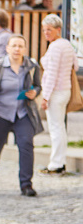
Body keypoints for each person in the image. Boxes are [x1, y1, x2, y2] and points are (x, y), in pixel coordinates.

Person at [0, 34, 43, 197]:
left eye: (20, 46)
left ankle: (26, 184)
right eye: (14, 46)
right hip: (0, 113)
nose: (17, 49)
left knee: (26, 145)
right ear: (7, 49)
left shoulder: (32, 66)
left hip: (22, 113)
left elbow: (38, 85)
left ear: (25, 49)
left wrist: (35, 92)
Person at [38, 14, 78, 175]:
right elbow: (75, 66)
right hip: (65, 91)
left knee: (55, 129)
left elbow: (52, 74)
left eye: (49, 29)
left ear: (58, 30)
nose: (46, 32)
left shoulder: (55, 47)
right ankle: (59, 162)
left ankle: (56, 164)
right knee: (60, 128)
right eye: (44, 29)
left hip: (55, 93)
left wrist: (45, 96)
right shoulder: (67, 44)